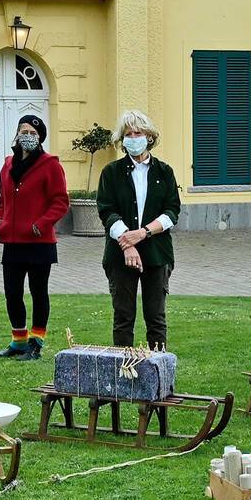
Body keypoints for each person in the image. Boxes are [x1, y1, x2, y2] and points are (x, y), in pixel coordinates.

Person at [96, 110, 182, 349]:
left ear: (149, 136)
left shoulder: (164, 172)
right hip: (120, 255)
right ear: (122, 140)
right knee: (123, 318)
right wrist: (128, 243)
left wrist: (143, 233)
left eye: (138, 132)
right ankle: (125, 373)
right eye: (128, 134)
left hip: (157, 253)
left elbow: (172, 211)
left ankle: (157, 373)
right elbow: (107, 210)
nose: (134, 137)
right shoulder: (111, 173)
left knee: (156, 318)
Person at [0, 114, 69, 359]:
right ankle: (18, 340)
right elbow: (3, 200)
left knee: (38, 292)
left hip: (39, 243)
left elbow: (60, 202)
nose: (27, 136)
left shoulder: (51, 165)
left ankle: (36, 343)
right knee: (12, 293)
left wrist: (41, 224)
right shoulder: (7, 165)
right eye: (23, 131)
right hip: (12, 242)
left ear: (40, 138)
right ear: (16, 134)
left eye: (33, 133)